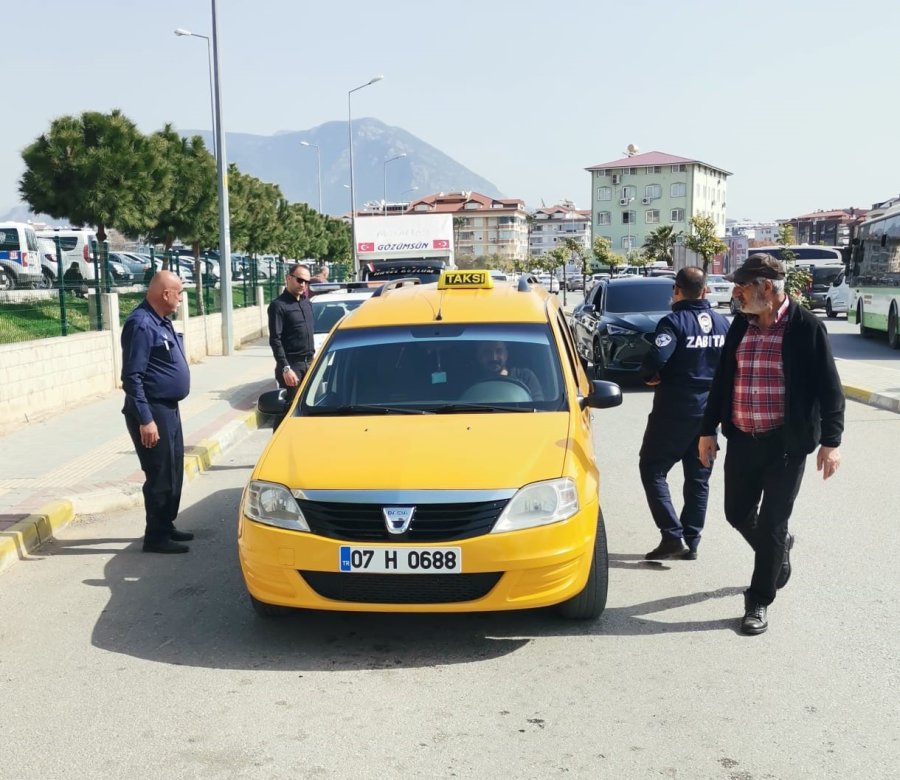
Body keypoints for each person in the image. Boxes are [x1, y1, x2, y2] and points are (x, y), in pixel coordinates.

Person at [698, 254, 845, 635]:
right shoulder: (740, 327)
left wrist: (832, 442)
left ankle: (759, 600)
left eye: (742, 286)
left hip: (786, 445)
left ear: (766, 287)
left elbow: (831, 390)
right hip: (744, 440)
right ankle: (778, 548)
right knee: (736, 513)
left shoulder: (807, 328)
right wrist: (707, 429)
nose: (735, 293)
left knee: (772, 523)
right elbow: (722, 382)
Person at [639, 267, 730, 561]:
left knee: (652, 469)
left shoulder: (673, 321)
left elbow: (657, 356)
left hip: (675, 409)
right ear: (705, 291)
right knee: (698, 477)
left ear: (676, 291)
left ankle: (671, 535)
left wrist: (650, 374)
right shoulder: (722, 323)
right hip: (709, 412)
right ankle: (693, 539)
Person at [120, 271, 193, 554]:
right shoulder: (140, 324)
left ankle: (166, 524)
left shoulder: (161, 321)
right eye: (179, 293)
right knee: (159, 474)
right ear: (166, 294)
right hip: (151, 411)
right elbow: (132, 377)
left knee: (174, 470)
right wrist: (146, 419)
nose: (181, 298)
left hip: (168, 408)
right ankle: (155, 537)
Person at [267, 263, 315, 426]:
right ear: (289, 278)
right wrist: (285, 368)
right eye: (300, 280)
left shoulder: (307, 303)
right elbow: (275, 339)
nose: (303, 284)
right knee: (288, 412)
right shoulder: (278, 306)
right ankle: (280, 448)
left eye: (307, 282)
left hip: (310, 363)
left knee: (310, 410)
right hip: (292, 366)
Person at [474, 341, 544, 400]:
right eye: (487, 352)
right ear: (479, 355)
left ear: (506, 354)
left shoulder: (525, 377)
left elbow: (539, 407)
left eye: (499, 351)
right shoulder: (471, 381)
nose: (494, 358)